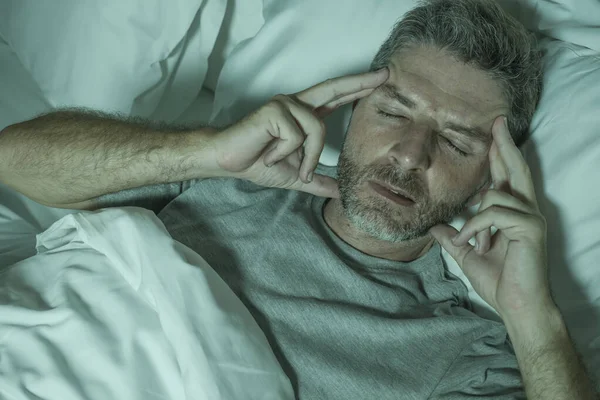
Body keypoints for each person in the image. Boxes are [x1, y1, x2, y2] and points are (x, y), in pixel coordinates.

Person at [0, 0, 597, 398]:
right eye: (393, 112)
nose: (412, 154)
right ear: (354, 111)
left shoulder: (467, 348)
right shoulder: (229, 175)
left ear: (493, 176)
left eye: (457, 141)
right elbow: (13, 160)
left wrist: (534, 319)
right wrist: (200, 151)